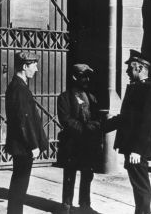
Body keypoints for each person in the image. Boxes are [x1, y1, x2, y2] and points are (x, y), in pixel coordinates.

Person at [104, 49, 151, 214]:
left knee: (141, 186)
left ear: (140, 68)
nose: (127, 71)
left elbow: (147, 123)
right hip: (132, 147)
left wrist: (137, 150)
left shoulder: (147, 90)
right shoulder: (136, 88)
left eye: (130, 67)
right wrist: (99, 126)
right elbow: (125, 119)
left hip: (136, 149)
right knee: (137, 185)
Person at [5, 50, 48, 214]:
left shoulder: (17, 86)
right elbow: (24, 121)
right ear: (25, 66)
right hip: (24, 146)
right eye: (34, 65)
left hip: (21, 145)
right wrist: (33, 144)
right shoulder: (20, 89)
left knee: (19, 183)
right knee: (20, 184)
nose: (36, 69)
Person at [57, 64, 102, 214]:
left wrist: (94, 127)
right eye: (83, 76)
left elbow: (97, 119)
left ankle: (84, 204)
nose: (87, 80)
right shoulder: (64, 97)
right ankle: (66, 205)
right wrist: (85, 129)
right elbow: (65, 120)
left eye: (88, 77)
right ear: (75, 77)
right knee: (69, 175)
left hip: (88, 145)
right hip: (72, 144)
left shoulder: (92, 97)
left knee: (87, 174)